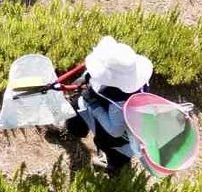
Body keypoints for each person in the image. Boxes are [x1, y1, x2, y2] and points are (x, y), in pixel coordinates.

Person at [63, 36, 153, 173]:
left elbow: (115, 131)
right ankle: (75, 130)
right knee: (76, 107)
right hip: (111, 112)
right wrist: (85, 78)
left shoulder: (120, 102)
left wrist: (94, 105)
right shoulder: (136, 78)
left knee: (114, 150)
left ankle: (111, 166)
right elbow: (97, 73)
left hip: (120, 135)